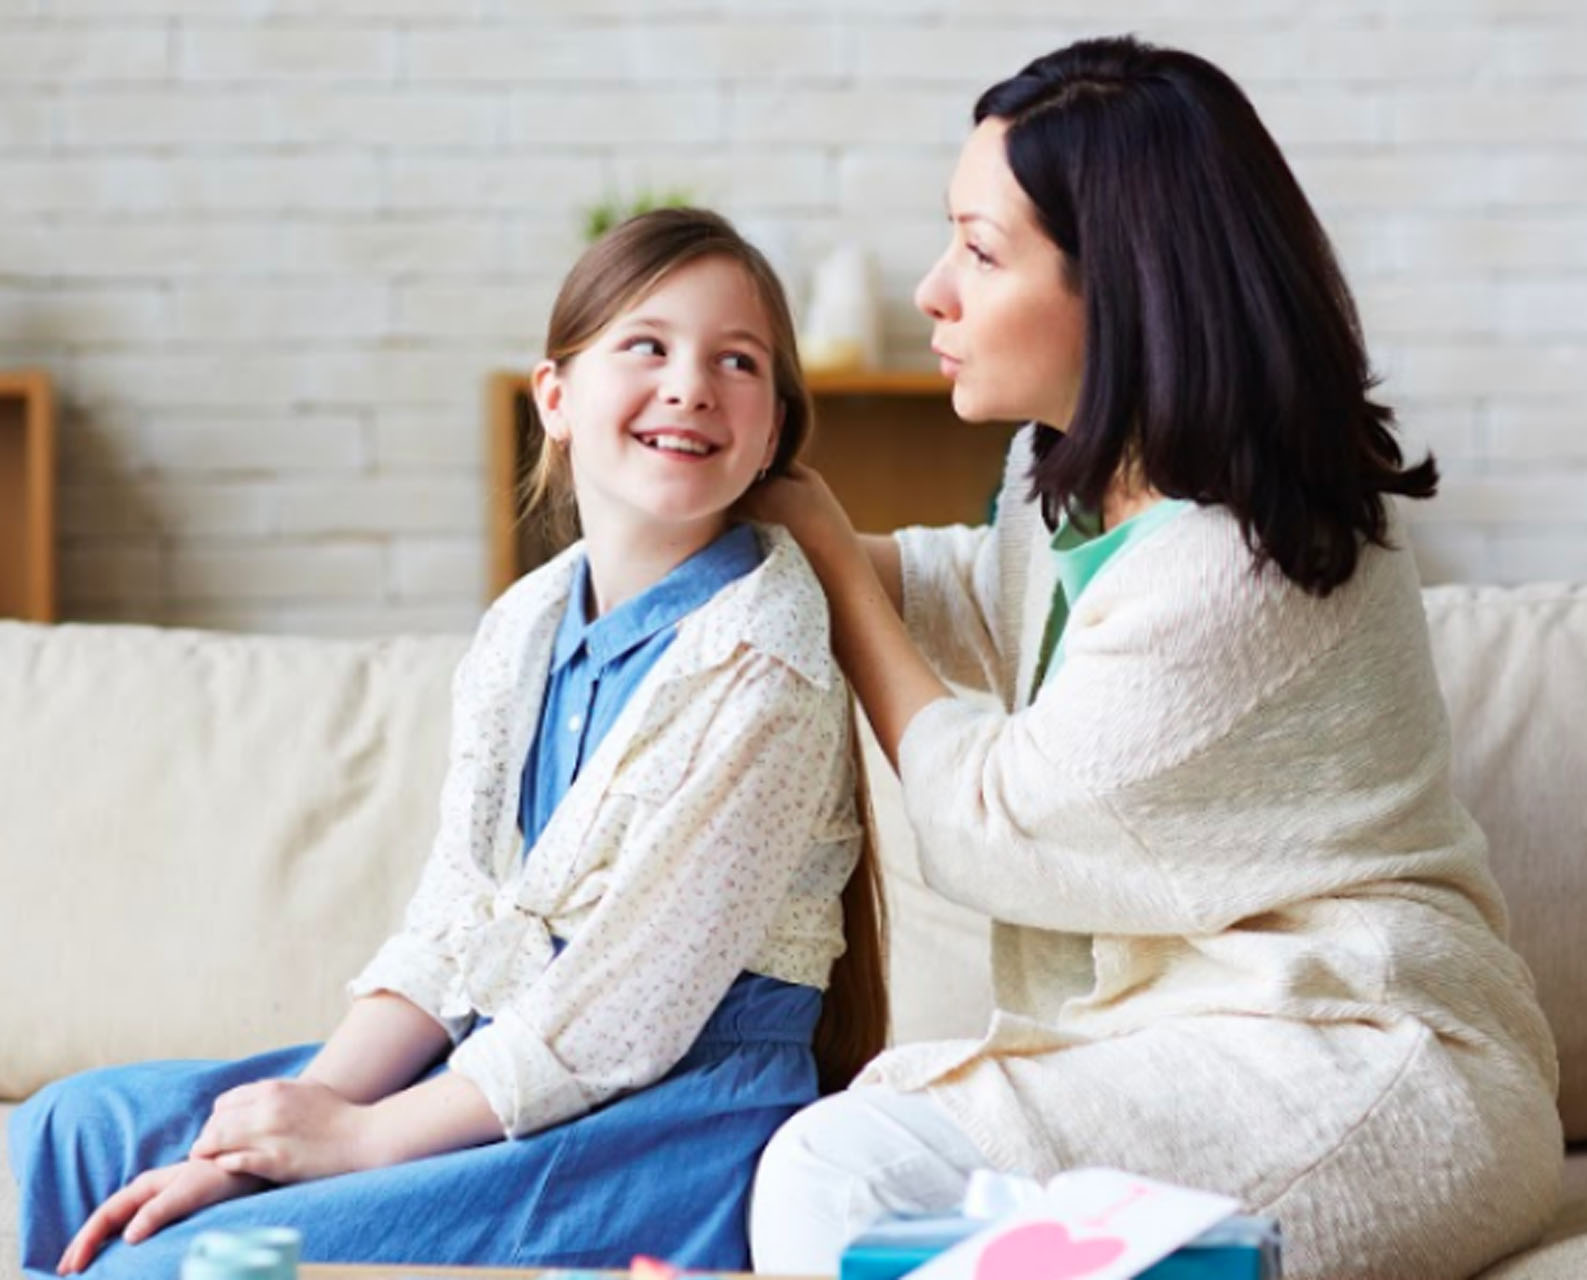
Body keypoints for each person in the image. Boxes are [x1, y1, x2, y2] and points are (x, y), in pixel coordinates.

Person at [746, 35, 1561, 1280]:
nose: (932, 292)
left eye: (979, 249)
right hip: (1181, 1043)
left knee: (838, 1169)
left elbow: (993, 817)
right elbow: (999, 599)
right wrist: (780, 539)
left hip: (1366, 1061)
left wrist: (842, 587)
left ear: (1118, 288)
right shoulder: (1064, 474)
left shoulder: (1247, 563)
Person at [9, 208, 886, 1278]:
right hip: (498, 1064)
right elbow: (456, 923)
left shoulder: (767, 658)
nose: (692, 383)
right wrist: (309, 1112)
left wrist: (358, 1140)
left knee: (169, 1260)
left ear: (773, 430)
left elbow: (621, 1016)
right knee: (68, 1127)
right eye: (647, 345)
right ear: (554, 398)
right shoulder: (524, 623)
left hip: (662, 1118)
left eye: (737, 361)